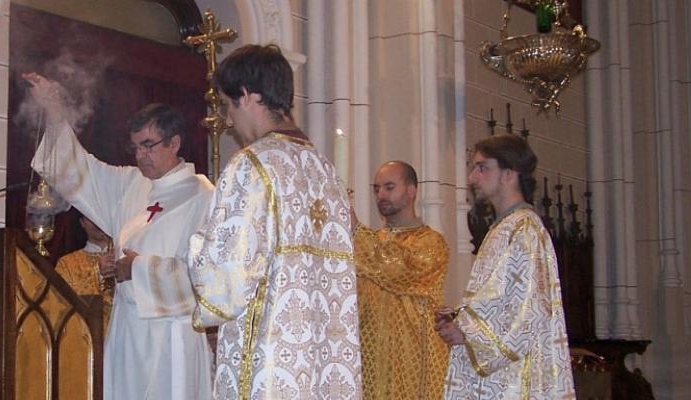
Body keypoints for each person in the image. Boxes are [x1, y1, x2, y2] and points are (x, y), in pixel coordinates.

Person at [186, 44, 362, 399]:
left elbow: (225, 281)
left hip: (270, 360)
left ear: (248, 96)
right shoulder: (326, 172)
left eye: (228, 105)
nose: (229, 119)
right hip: (322, 363)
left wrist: (196, 247)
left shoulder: (252, 166)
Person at [24, 71, 214, 400]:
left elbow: (207, 277)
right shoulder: (131, 184)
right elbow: (78, 171)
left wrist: (136, 270)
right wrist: (55, 110)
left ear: (174, 143)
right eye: (135, 146)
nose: (140, 155)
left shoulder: (203, 196)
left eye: (149, 145)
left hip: (171, 338)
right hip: (127, 331)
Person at [435, 135, 575, 399]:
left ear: (509, 173)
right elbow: (497, 300)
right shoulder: (503, 227)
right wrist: (459, 318)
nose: (472, 177)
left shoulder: (524, 229)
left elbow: (528, 310)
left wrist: (466, 330)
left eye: (482, 167)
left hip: (513, 377)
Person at [352, 161, 449, 400]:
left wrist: (354, 230)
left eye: (389, 187)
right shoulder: (368, 243)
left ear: (411, 191)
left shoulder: (432, 243)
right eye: (376, 189)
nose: (381, 194)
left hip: (414, 358)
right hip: (372, 354)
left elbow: (395, 269)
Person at [54, 212, 115, 333]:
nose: (97, 221)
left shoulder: (126, 257)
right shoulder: (67, 263)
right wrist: (97, 273)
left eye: (99, 213)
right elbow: (60, 305)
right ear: (82, 222)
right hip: (88, 335)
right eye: (90, 215)